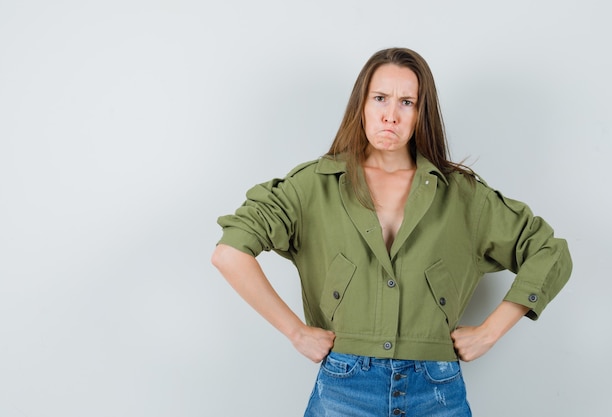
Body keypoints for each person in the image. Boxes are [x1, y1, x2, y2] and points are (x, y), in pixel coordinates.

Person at [211, 47, 572, 416]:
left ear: (420, 113)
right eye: (380, 98)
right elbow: (229, 252)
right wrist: (295, 331)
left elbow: (549, 251)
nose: (390, 115)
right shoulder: (311, 186)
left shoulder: (461, 194)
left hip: (436, 390)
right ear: (361, 105)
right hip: (345, 388)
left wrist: (491, 331)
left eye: (407, 102)